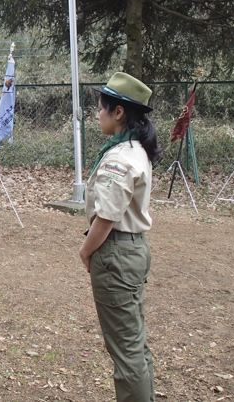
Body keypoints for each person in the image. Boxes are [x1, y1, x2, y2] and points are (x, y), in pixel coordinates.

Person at [79, 72, 161, 401]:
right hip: (131, 251)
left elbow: (107, 218)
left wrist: (85, 252)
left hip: (116, 256)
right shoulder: (135, 149)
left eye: (101, 108)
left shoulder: (120, 158)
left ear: (119, 113)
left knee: (126, 353)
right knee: (134, 346)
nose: (96, 114)